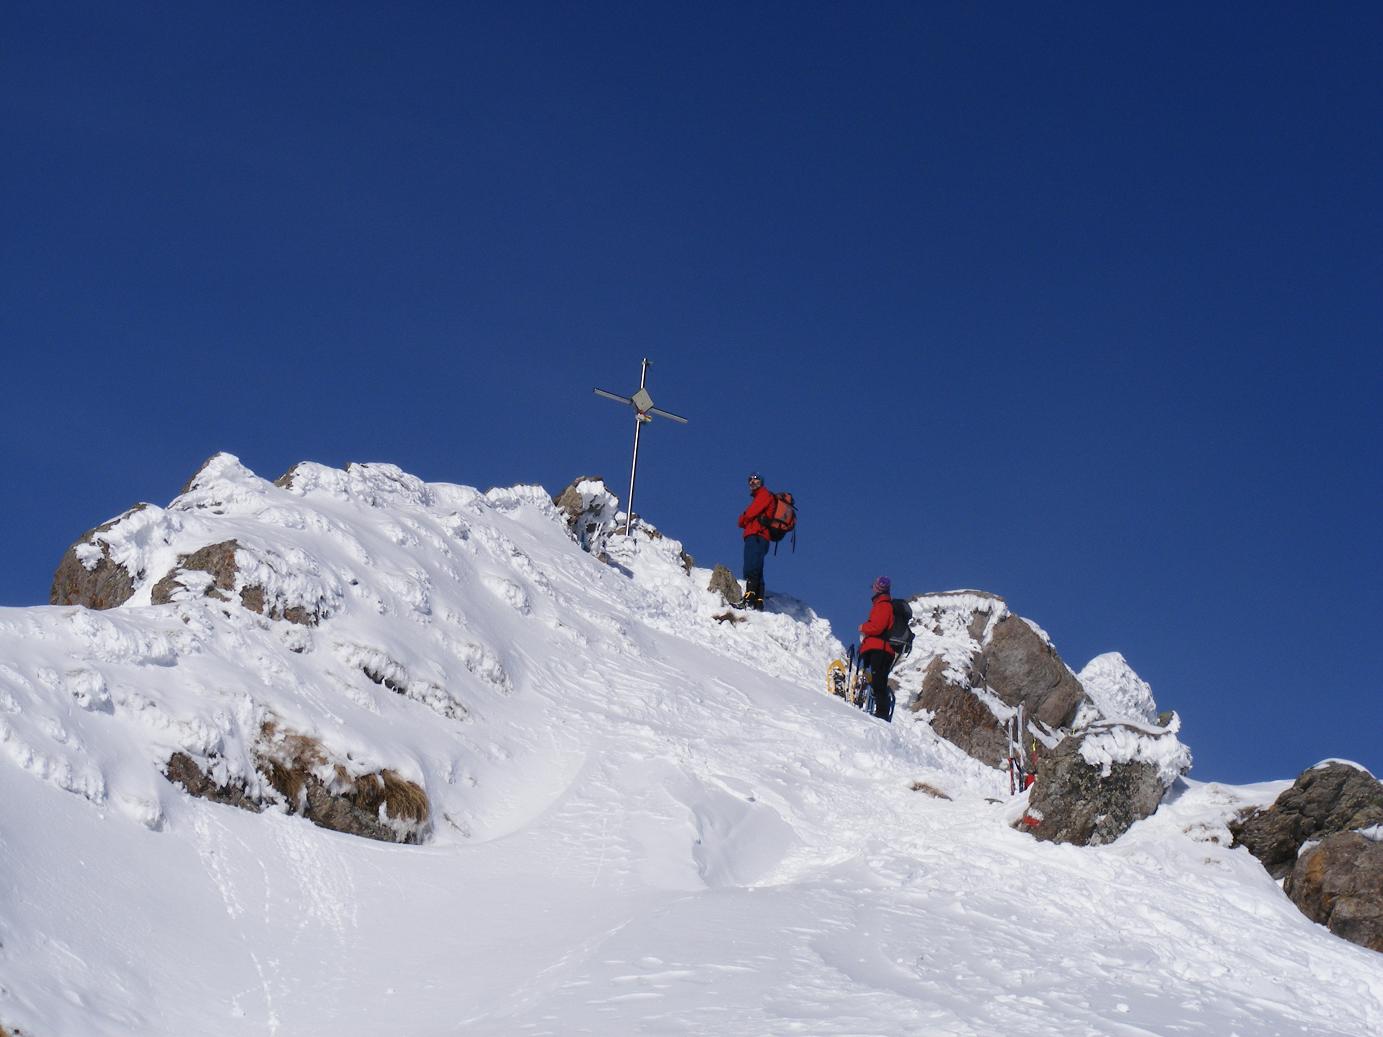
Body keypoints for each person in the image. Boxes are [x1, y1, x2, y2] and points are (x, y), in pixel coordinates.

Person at [857, 576, 896, 721]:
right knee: (878, 680)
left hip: (880, 648)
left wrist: (863, 627)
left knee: (879, 681)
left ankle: (882, 713)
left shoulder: (883, 605)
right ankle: (881, 711)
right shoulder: (882, 604)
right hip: (882, 649)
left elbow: (877, 627)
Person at [736, 471, 774, 610]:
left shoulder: (764, 495)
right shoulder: (761, 496)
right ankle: (758, 601)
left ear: (761, 482)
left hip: (756, 535)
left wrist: (743, 518)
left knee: (751, 566)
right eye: (750, 480)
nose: (752, 482)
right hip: (760, 536)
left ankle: (749, 598)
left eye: (756, 479)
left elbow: (751, 512)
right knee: (757, 566)